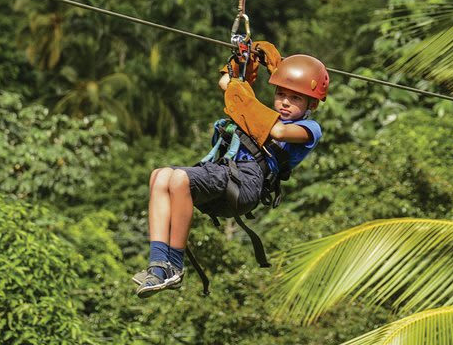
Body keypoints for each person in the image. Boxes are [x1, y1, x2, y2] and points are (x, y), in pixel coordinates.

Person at [133, 43, 329, 298]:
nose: (285, 103)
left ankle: (175, 266)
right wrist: (243, 61)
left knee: (179, 178)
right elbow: (227, 83)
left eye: (295, 98)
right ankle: (158, 265)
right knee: (159, 176)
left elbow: (277, 131)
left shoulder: (309, 128)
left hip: (248, 182)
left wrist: (242, 93)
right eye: (281, 94)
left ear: (311, 104)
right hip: (224, 170)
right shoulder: (257, 113)